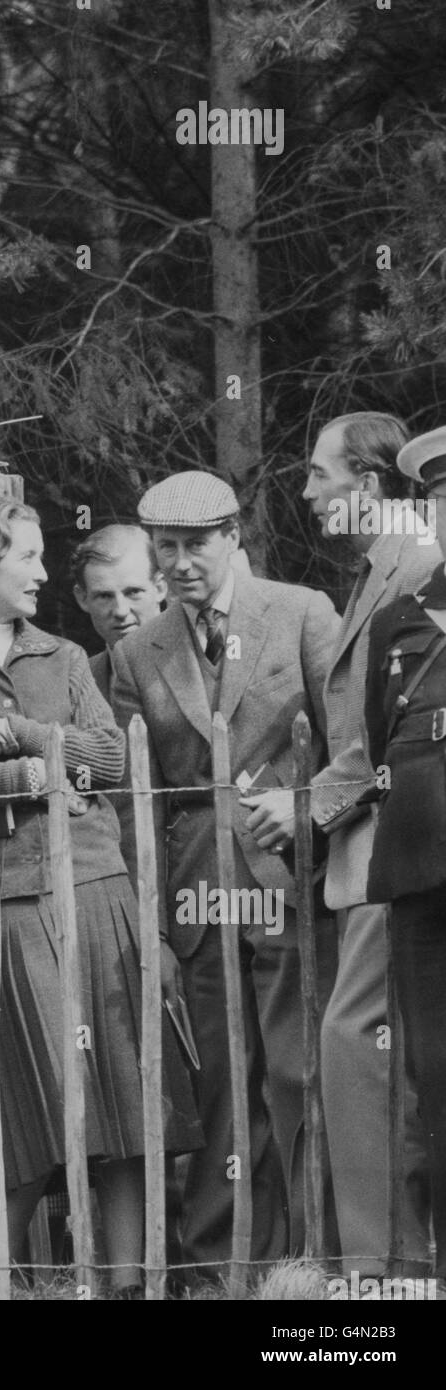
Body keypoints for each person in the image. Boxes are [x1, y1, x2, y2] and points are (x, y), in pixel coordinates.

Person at [0, 497, 201, 1288]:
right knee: (32, 1108)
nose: (40, 572)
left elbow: (111, 758)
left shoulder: (62, 657)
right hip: (6, 898)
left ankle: (129, 1286)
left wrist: (28, 737)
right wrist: (25, 778)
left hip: (97, 885)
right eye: (24, 557)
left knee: (126, 1105)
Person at [110, 470, 339, 1279]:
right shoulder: (137, 652)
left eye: (194, 545)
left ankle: (315, 1262)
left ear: (233, 537)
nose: (177, 563)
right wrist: (154, 926)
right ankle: (217, 1274)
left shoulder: (301, 612)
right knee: (218, 1093)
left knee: (299, 1070)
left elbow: (352, 744)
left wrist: (305, 803)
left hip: (291, 882)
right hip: (197, 899)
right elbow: (132, 801)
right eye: (163, 548)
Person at [298, 413, 435, 1279]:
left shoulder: (413, 568)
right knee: (371, 1045)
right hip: (374, 850)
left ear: (371, 489)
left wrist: (303, 804)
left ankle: (383, 1266)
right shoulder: (376, 572)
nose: (308, 494)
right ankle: (384, 1258)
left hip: (400, 847)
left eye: (321, 476)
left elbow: (383, 741)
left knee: (359, 1040)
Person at [365, 424, 446, 1287]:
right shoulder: (398, 619)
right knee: (435, 1079)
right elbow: (375, 737)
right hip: (420, 881)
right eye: (440, 500)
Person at [72, 524, 166, 698]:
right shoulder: (78, 684)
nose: (121, 611)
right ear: (83, 599)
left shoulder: (200, 665)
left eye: (133, 592)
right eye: (105, 596)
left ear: (160, 588)